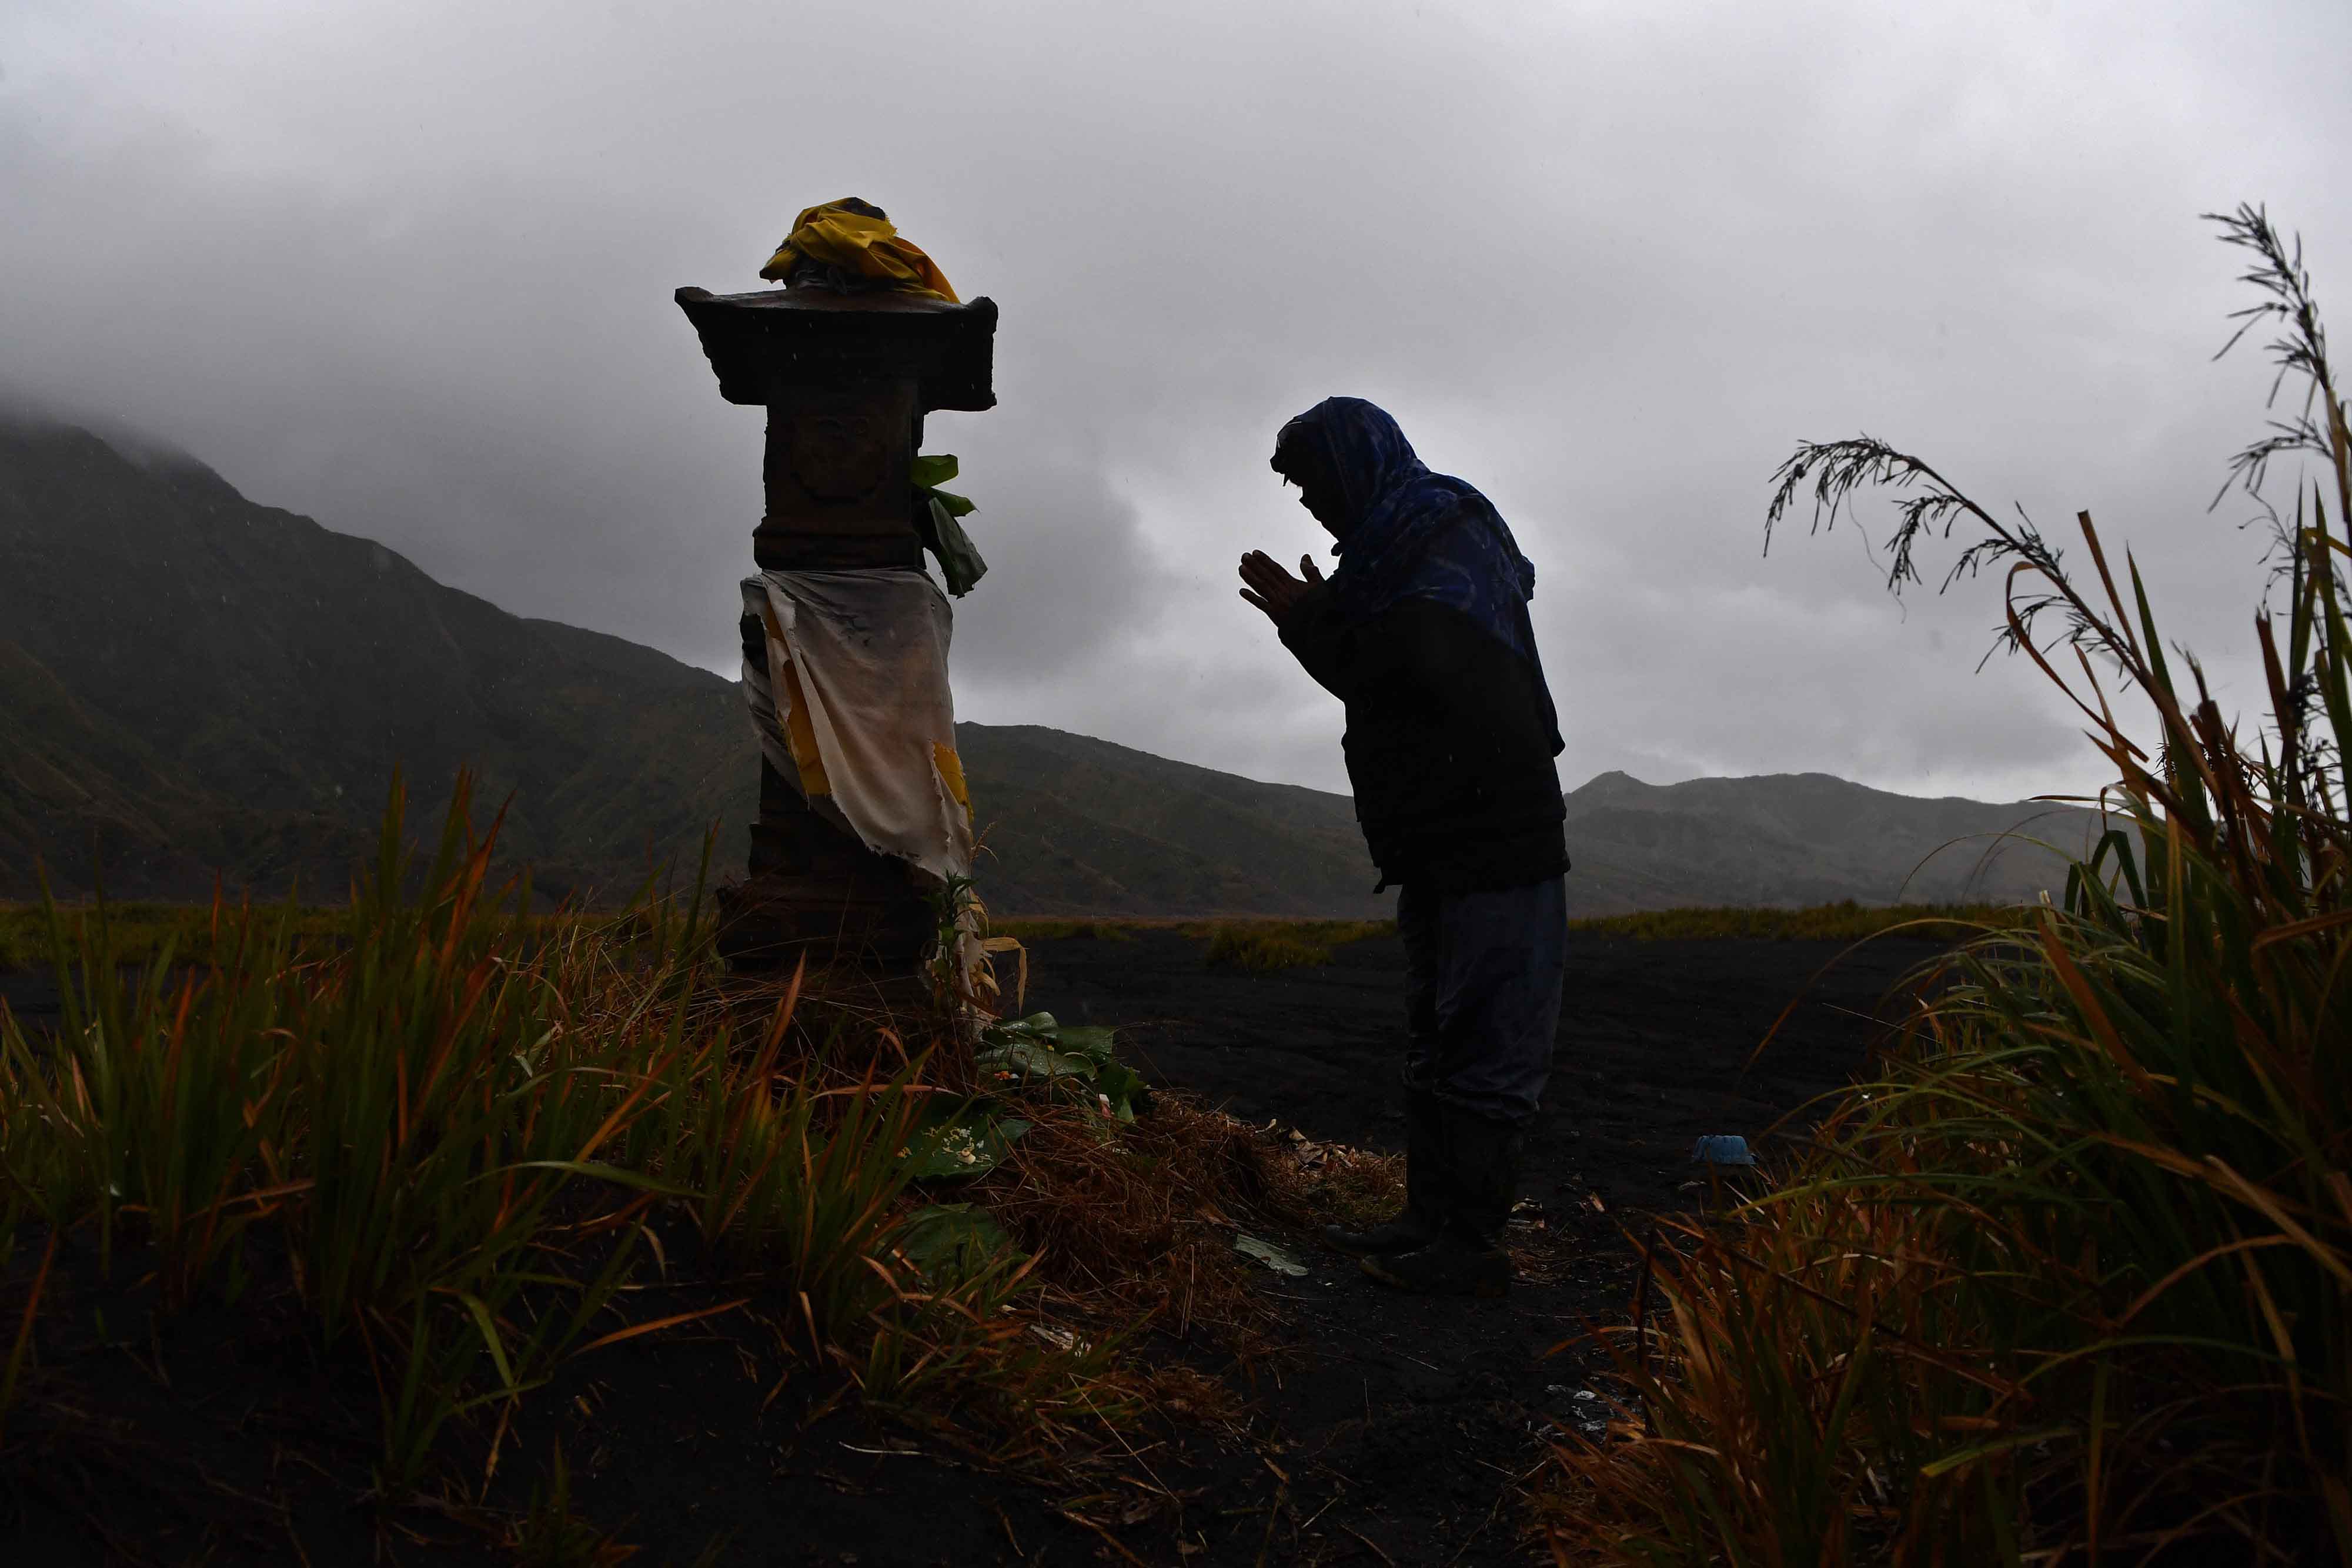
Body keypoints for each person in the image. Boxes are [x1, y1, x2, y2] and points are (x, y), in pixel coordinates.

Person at [1238, 397, 1569, 1298]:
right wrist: (1321, 620)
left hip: (1495, 831)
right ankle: (1429, 1221)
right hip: (1431, 837)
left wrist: (1318, 621)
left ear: (1356, 467)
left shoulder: (1443, 531)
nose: (1309, 505)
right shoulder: (1387, 557)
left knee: (1487, 1031)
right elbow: (1376, 674)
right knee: (1436, 1031)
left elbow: (1418, 664)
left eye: (1314, 485)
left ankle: (1471, 1246)